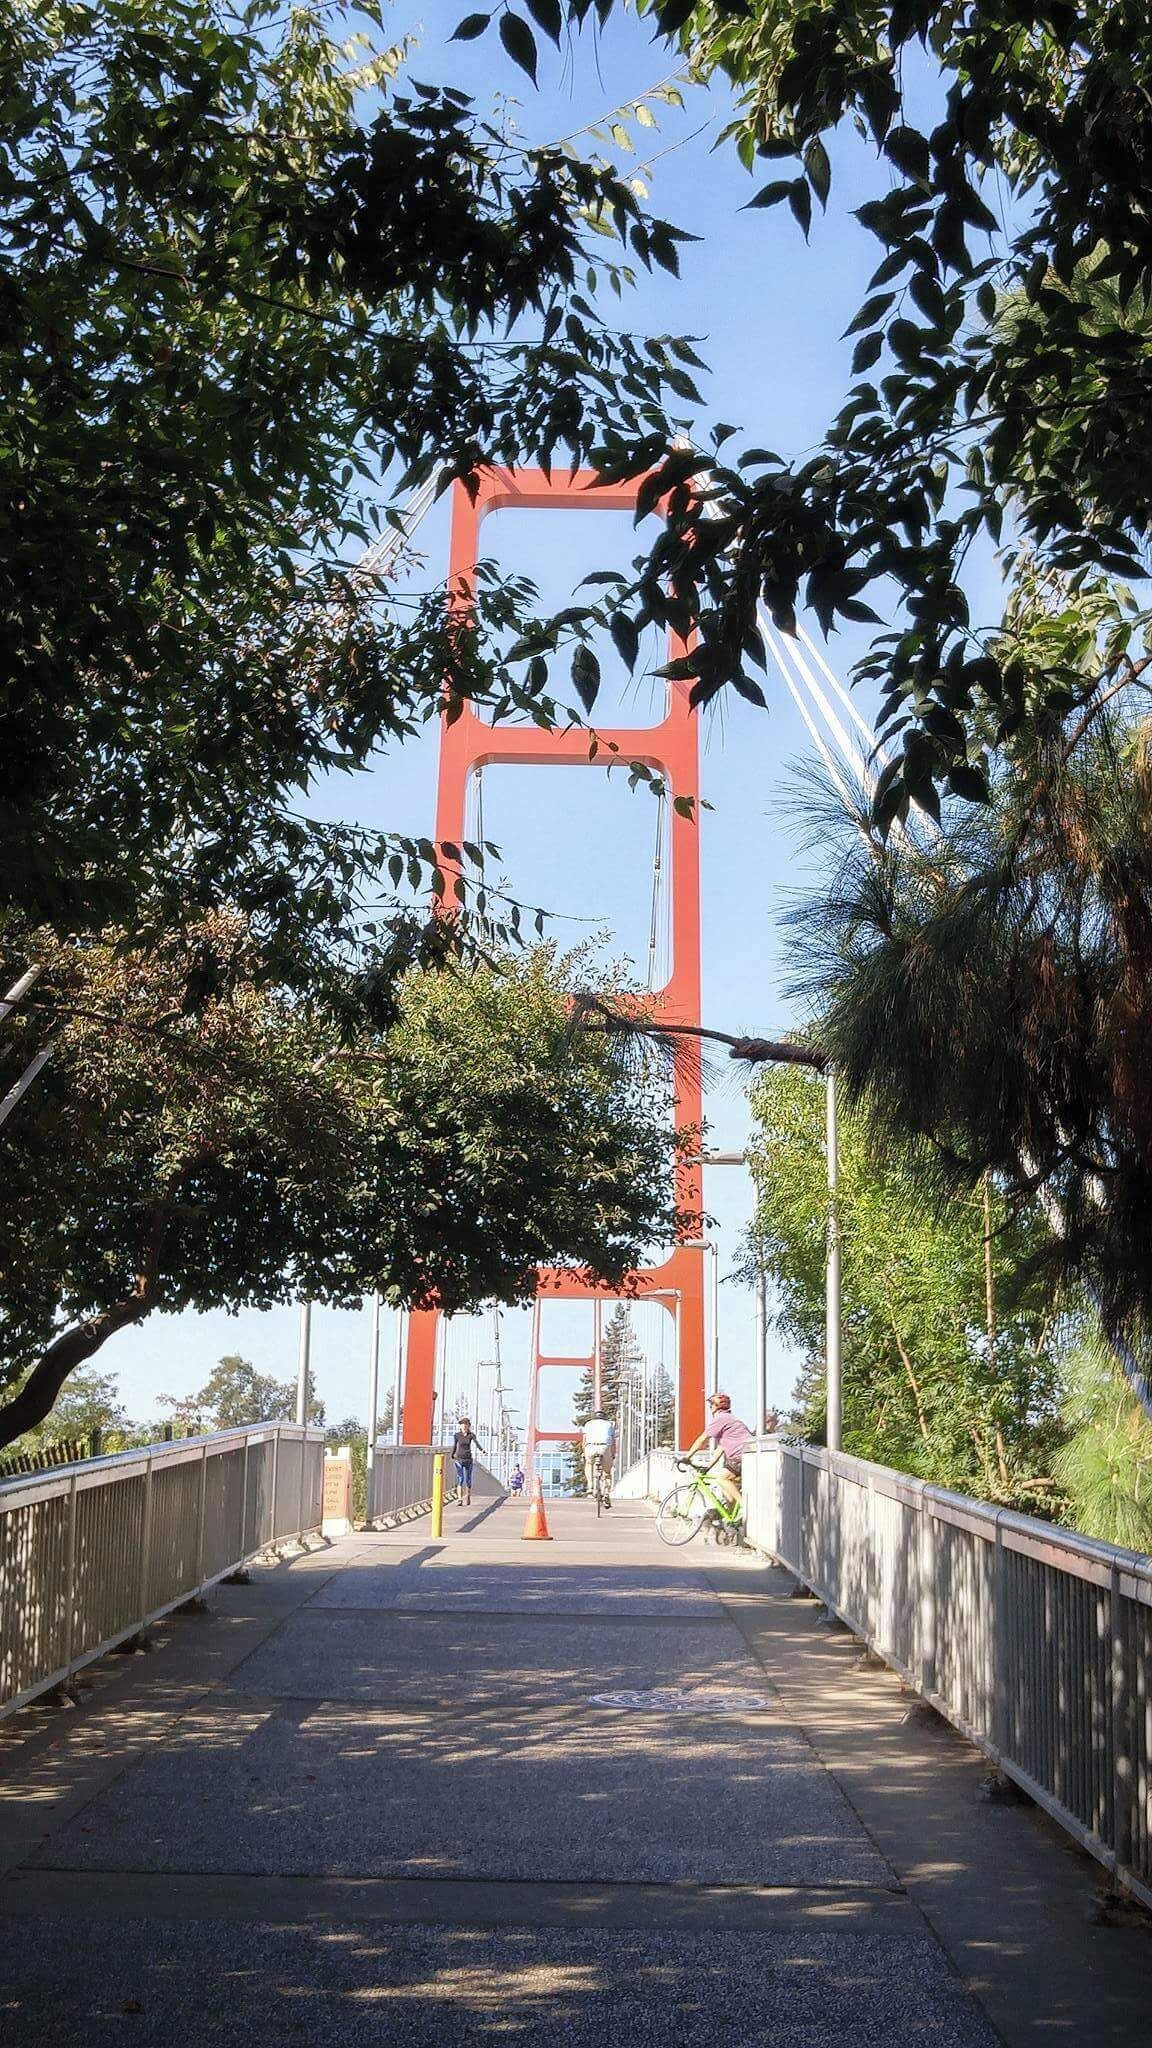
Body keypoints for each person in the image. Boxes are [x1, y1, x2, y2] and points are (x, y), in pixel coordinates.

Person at [685, 1392, 753, 1513]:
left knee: (722, 1479)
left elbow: (702, 1440)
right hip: (746, 1455)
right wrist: (708, 1467)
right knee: (728, 1494)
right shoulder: (731, 1419)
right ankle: (733, 1523)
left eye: (710, 1405)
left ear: (715, 1406)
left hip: (740, 1456)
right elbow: (721, 1449)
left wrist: (687, 1456)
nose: (710, 1408)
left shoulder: (720, 1419)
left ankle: (746, 1507)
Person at [581, 1407, 616, 1506]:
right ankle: (607, 1493)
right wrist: (612, 1454)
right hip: (604, 1447)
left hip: (590, 1447)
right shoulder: (609, 1424)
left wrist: (584, 1452)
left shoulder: (588, 1424)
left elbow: (584, 1440)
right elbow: (613, 1442)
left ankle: (590, 1487)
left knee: (588, 1464)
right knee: (607, 1472)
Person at [451, 1418, 482, 1505]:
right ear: (460, 1426)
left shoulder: (471, 1435)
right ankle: (460, 1499)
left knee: (468, 1479)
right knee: (460, 1478)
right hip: (459, 1459)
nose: (464, 1426)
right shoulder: (457, 1435)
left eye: (466, 1425)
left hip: (468, 1459)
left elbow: (477, 1443)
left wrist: (482, 1450)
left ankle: (468, 1495)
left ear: (468, 1426)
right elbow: (454, 1445)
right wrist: (452, 1454)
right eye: (462, 1425)